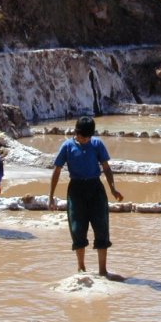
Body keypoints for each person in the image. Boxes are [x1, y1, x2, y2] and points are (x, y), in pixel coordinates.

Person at [48, 116, 125, 281]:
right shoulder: (67, 146)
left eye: (88, 137)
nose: (86, 140)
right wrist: (51, 196)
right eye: (83, 137)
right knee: (77, 228)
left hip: (96, 189)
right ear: (76, 132)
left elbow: (106, 168)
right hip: (76, 190)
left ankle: (103, 270)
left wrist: (113, 188)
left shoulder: (97, 144)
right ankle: (81, 267)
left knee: (102, 227)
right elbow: (56, 171)